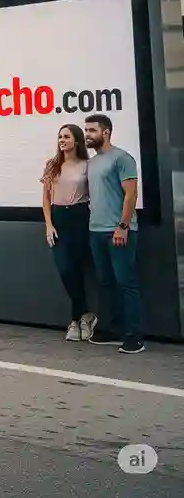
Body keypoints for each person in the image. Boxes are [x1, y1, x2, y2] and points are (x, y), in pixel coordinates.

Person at [83, 113, 143, 354]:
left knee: (126, 284)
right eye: (86, 130)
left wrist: (123, 226)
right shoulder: (93, 162)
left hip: (118, 231)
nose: (87, 135)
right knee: (105, 283)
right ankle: (110, 330)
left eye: (91, 130)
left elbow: (131, 195)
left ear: (105, 131)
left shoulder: (122, 158)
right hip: (95, 231)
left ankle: (133, 336)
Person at [41, 124, 97, 342]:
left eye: (66, 136)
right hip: (58, 218)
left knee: (79, 269)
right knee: (65, 269)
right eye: (60, 137)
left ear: (76, 140)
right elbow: (45, 197)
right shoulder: (52, 165)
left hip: (80, 217)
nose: (62, 140)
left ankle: (76, 321)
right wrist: (48, 224)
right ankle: (85, 315)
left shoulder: (87, 165)